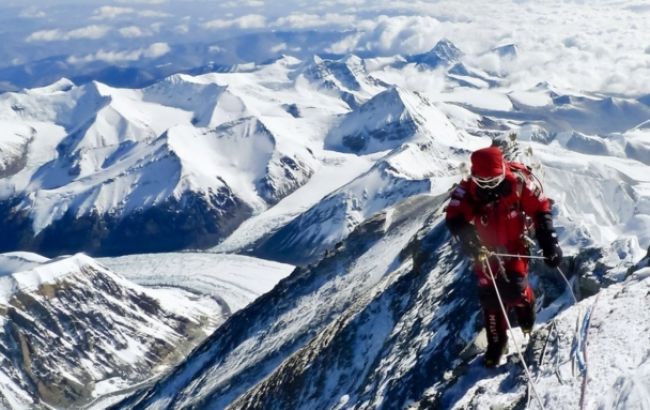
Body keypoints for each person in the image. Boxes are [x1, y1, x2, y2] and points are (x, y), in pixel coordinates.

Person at [445, 145, 562, 367]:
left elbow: (540, 209)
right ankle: (496, 344)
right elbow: (455, 217)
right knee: (491, 298)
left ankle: (525, 307)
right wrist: (470, 240)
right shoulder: (468, 190)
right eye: (483, 183)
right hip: (485, 250)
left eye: (493, 182)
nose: (488, 188)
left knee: (515, 289)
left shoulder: (519, 185)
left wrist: (549, 242)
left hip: (515, 246)